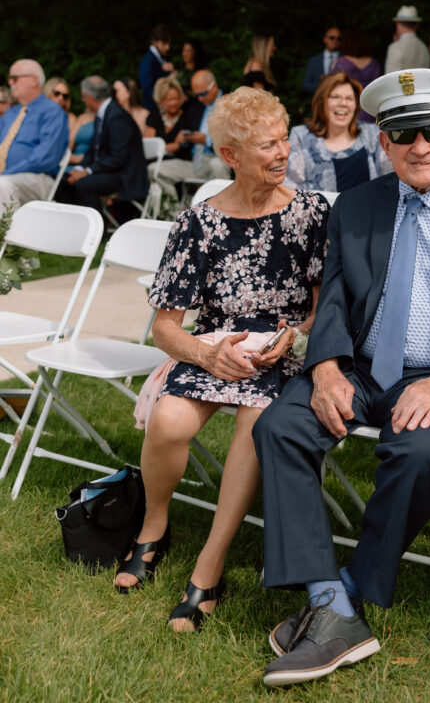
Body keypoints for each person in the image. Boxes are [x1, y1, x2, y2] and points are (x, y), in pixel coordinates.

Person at [253, 68, 430, 686]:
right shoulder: (355, 206)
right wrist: (323, 368)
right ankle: (330, 596)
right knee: (279, 427)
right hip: (359, 369)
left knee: (422, 447)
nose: (420, 146)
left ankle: (345, 594)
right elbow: (334, 298)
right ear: (385, 142)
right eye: (404, 133)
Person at [113, 88, 330, 635]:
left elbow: (327, 305)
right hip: (214, 347)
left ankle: (209, 567)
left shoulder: (310, 215)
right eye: (265, 146)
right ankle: (154, 526)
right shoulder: (197, 224)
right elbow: (165, 326)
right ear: (231, 155)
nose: (281, 154)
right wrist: (207, 354)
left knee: (255, 427)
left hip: (283, 353)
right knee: (167, 421)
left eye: (283, 140)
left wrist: (295, 338)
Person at [57, 75, 149, 219]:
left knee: (84, 184)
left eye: (83, 97)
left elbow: (118, 159)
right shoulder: (105, 113)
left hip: (124, 175)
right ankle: (72, 224)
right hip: (110, 170)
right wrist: (80, 168)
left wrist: (87, 171)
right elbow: (94, 150)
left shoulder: (117, 117)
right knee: (64, 180)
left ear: (90, 98)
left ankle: (98, 230)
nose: (83, 101)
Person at [285, 73, 390, 192]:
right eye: (335, 97)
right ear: (322, 101)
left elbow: (391, 179)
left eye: (349, 98)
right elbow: (290, 187)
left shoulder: (372, 134)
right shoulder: (301, 136)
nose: (343, 103)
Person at [0, 59, 69, 210]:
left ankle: (4, 233)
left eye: (15, 78)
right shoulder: (10, 114)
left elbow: (45, 158)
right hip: (7, 177)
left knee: (2, 185)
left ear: (34, 80)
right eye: (10, 79)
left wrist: (5, 173)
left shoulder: (53, 112)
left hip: (37, 178)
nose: (11, 82)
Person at [146, 77, 203, 203]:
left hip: (180, 164)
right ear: (161, 101)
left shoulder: (187, 117)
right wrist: (172, 145)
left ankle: (173, 214)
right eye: (169, 99)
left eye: (176, 98)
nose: (174, 103)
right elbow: (148, 147)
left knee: (155, 171)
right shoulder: (154, 117)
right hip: (153, 163)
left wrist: (164, 147)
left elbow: (181, 145)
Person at [180, 69, 233, 182]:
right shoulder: (195, 107)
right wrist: (184, 139)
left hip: (219, 158)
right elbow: (186, 136)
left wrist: (206, 141)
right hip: (195, 162)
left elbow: (234, 141)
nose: (200, 98)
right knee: (156, 169)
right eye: (196, 95)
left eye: (203, 94)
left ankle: (222, 200)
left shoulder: (230, 105)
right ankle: (177, 200)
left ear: (214, 87)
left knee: (217, 165)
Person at [330, 28, 381, 121]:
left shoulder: (340, 63)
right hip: (369, 108)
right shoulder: (374, 63)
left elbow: (331, 89)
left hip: (346, 108)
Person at [384, 6, 430, 74]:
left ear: (397, 25)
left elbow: (390, 79)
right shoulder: (424, 48)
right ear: (416, 25)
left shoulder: (395, 47)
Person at [139, 24, 174, 111]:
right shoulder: (147, 61)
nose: (167, 47)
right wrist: (165, 99)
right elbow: (147, 88)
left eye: (168, 43)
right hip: (153, 108)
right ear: (154, 42)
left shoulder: (161, 57)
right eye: (164, 43)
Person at [301, 27, 342, 96]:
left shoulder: (346, 60)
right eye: (332, 38)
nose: (335, 40)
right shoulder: (314, 61)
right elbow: (305, 85)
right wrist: (322, 85)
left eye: (339, 39)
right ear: (325, 40)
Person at [44, 77, 79, 142]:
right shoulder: (38, 114)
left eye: (65, 96)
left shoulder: (70, 119)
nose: (61, 98)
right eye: (57, 93)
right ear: (47, 93)